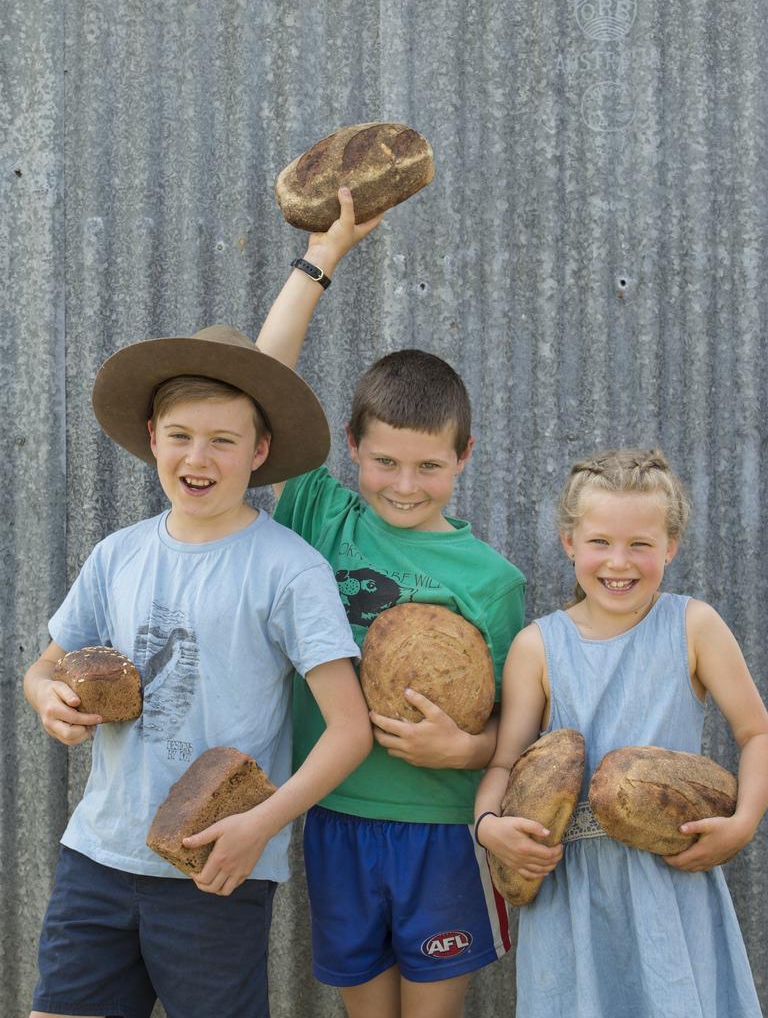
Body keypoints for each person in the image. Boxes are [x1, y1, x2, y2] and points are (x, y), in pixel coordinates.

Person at [23, 324, 373, 1018]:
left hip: (215, 867)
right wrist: (47, 699)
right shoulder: (117, 555)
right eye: (181, 435)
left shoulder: (288, 568)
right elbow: (45, 670)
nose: (199, 456)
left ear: (260, 451)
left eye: (224, 440)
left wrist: (260, 827)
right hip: (98, 855)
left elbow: (349, 731)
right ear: (153, 437)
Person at [255, 190, 527, 1018]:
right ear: (349, 448)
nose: (403, 486)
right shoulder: (321, 515)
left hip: (442, 835)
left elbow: (520, 734)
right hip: (334, 817)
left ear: (464, 457)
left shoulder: (492, 579)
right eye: (384, 463)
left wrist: (464, 751)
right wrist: (320, 259)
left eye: (427, 467)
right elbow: (264, 384)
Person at [475, 447, 768, 1018]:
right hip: (571, 894)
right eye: (600, 542)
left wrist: (745, 822)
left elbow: (756, 732)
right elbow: (504, 764)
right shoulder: (539, 646)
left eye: (640, 544)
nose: (619, 562)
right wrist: (488, 828)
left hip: (670, 883)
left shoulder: (694, 626)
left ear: (671, 546)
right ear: (569, 543)